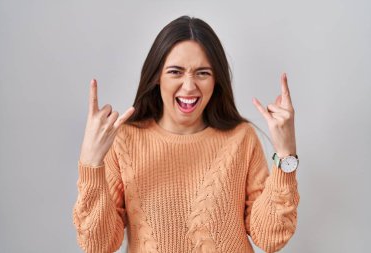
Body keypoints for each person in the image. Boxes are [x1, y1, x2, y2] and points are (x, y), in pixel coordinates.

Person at [73, 15, 300, 253]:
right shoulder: (125, 141)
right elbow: (97, 244)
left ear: (216, 80)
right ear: (156, 77)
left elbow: (271, 237)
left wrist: (286, 154)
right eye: (175, 72)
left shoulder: (241, 138)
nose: (190, 86)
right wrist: (91, 163)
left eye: (202, 73)